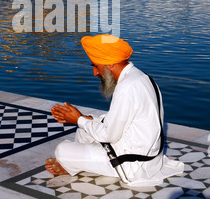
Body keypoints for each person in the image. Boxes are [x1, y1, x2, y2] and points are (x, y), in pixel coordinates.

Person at [45, 34, 184, 187]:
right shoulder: (140, 77)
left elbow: (109, 135)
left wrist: (78, 119)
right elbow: (121, 121)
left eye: (96, 66)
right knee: (84, 130)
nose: (95, 73)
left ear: (109, 64)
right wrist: (83, 118)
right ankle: (75, 162)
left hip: (133, 165)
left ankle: (70, 163)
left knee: (62, 150)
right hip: (147, 157)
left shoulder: (126, 88)